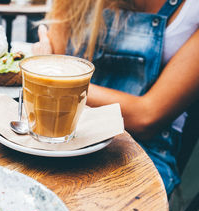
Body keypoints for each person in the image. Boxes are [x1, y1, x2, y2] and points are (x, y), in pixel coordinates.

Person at [32, 0, 199, 195]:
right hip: (69, 131)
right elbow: (55, 73)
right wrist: (53, 74)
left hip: (143, 153)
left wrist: (55, 78)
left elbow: (146, 117)